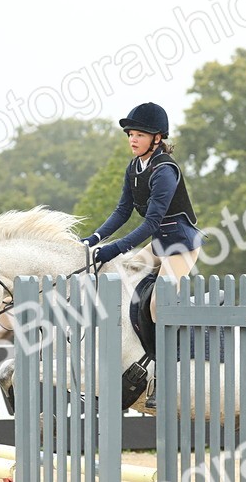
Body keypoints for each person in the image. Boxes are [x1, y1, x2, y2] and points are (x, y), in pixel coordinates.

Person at [80, 102, 201, 322]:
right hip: (159, 243)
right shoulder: (134, 167)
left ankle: (174, 351)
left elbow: (152, 223)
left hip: (181, 244)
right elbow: (123, 210)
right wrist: (95, 238)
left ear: (157, 138)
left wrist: (115, 248)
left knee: (158, 304)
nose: (133, 140)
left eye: (140, 135)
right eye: (131, 135)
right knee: (126, 281)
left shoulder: (164, 171)